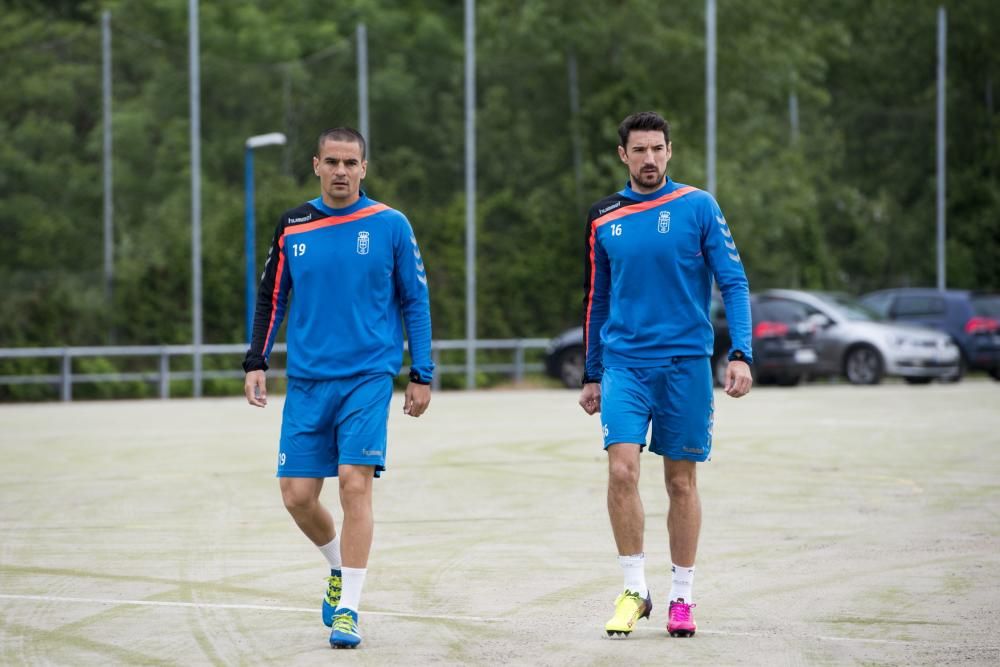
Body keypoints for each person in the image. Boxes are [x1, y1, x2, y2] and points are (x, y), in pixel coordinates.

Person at [242, 127, 434, 649]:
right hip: (307, 381)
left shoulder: (390, 224)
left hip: (368, 377)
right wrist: (256, 360)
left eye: (351, 162)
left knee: (354, 482)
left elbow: (414, 300)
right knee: (298, 496)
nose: (342, 171)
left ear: (364, 168)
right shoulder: (294, 225)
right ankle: (336, 566)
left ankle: (349, 607)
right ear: (317, 165)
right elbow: (271, 298)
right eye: (333, 161)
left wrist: (422, 371)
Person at [579, 111, 752, 639]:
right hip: (624, 365)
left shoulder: (697, 205)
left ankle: (682, 596)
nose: (649, 159)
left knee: (680, 481)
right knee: (621, 471)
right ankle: (635, 589)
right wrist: (592, 372)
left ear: (670, 151)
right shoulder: (603, 216)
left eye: (658, 149)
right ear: (623, 155)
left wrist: (741, 352)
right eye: (640, 150)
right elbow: (598, 298)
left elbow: (734, 282)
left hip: (685, 365)